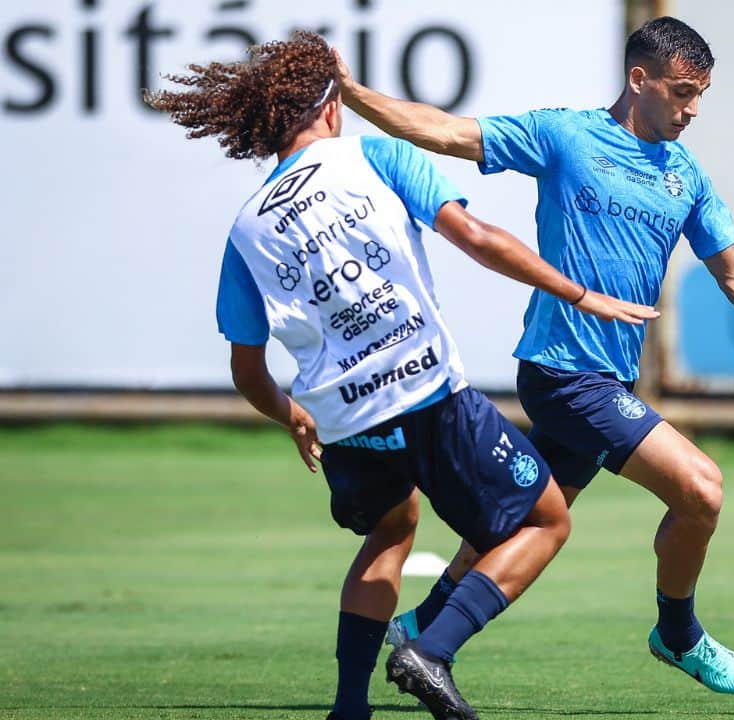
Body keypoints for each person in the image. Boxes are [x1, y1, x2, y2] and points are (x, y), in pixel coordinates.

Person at [146, 31, 658, 720]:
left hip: (343, 417)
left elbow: (246, 367)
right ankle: (433, 649)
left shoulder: (247, 228)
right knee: (546, 521)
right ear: (331, 109)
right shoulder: (372, 156)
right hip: (429, 395)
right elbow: (477, 239)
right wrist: (581, 295)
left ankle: (349, 707)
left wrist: (290, 412)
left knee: (390, 528)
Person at [336, 16, 734, 695]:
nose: (693, 109)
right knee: (701, 488)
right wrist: (353, 93)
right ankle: (677, 632)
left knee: (524, 524)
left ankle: (423, 634)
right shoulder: (566, 136)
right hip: (562, 373)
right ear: (639, 80)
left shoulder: (685, 175)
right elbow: (444, 130)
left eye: (702, 94)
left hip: (608, 376)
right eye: (682, 91)